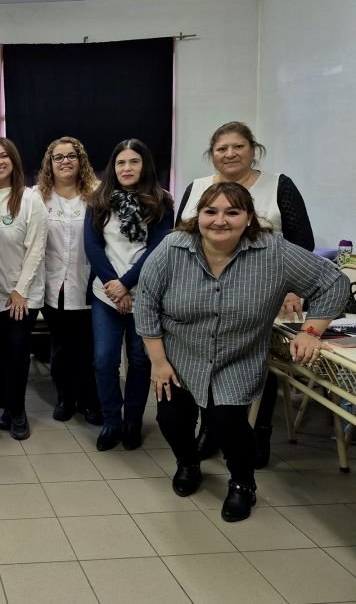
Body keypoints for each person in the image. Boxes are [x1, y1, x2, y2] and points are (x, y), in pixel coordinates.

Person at [136, 182, 348, 521]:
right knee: (172, 420)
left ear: (248, 218)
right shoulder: (173, 248)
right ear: (198, 215)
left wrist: (312, 331)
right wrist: (158, 362)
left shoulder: (273, 251)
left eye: (232, 212)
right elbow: (145, 303)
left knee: (228, 427)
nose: (220, 220)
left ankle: (242, 484)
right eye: (211, 211)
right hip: (179, 355)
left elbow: (333, 282)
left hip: (238, 358)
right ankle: (188, 463)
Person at [176, 121, 315, 466]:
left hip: (265, 297)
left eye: (238, 146)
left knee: (255, 366)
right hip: (205, 296)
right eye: (222, 148)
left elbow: (303, 243)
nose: (230, 153)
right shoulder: (197, 188)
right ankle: (209, 430)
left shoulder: (278, 186)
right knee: (207, 364)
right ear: (212, 155)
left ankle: (257, 434)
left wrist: (292, 288)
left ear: (253, 149)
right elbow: (179, 241)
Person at [84, 138, 173, 452]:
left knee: (139, 360)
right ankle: (112, 420)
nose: (126, 168)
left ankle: (132, 421)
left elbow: (158, 250)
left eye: (133, 161)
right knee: (104, 360)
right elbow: (93, 247)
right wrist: (114, 285)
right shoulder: (99, 200)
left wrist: (128, 283)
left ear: (144, 165)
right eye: (121, 162)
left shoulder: (162, 202)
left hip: (146, 295)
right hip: (105, 294)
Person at [0, 137, 46, 440]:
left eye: (4, 156)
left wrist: (21, 290)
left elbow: (36, 247)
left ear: (14, 161)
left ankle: (18, 413)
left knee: (17, 351)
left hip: (22, 294)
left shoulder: (30, 198)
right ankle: (6, 406)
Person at [36, 137, 102, 425]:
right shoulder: (38, 196)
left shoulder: (97, 195)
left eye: (71, 156)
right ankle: (66, 397)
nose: (65, 161)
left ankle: (90, 400)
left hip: (88, 282)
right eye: (58, 157)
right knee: (61, 348)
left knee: (88, 348)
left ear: (81, 160)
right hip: (54, 286)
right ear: (50, 163)